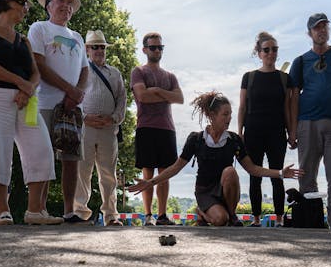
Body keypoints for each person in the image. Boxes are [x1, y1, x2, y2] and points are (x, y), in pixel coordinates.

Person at [129, 92, 301, 225]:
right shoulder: (196, 139)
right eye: (225, 114)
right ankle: (202, 212)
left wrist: (279, 173)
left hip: (225, 189)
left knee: (230, 171)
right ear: (212, 115)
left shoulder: (234, 140)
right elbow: (175, 167)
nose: (229, 118)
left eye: (230, 114)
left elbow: (252, 169)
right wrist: (150, 182)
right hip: (205, 190)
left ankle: (232, 215)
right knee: (219, 221)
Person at [0, 0, 57, 226]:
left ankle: (34, 211)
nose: (26, 10)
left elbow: (35, 71)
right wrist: (20, 83)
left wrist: (28, 87)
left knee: (42, 149)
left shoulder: (24, 39)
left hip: (26, 101)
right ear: (9, 2)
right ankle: (3, 211)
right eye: (24, 4)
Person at [289, 13, 331, 230]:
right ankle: (311, 220)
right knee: (306, 176)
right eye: (317, 28)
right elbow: (293, 98)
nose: (321, 31)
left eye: (324, 27)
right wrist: (292, 130)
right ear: (309, 33)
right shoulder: (300, 61)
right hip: (307, 123)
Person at [29, 0, 88, 223]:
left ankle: (68, 210)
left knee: (71, 158)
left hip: (74, 107)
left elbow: (85, 70)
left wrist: (77, 93)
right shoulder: (39, 28)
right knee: (43, 155)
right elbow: (38, 63)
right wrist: (69, 90)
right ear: (48, 5)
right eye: (60, 1)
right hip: (44, 101)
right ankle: (39, 209)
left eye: (69, 3)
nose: (66, 6)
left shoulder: (77, 36)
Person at [237, 31, 294, 227]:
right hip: (253, 131)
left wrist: (291, 132)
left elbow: (287, 107)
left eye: (274, 49)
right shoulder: (249, 77)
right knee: (255, 175)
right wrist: (239, 132)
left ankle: (279, 218)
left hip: (277, 132)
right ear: (259, 53)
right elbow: (242, 106)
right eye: (267, 50)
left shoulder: (284, 78)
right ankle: (256, 218)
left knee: (278, 175)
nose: (271, 53)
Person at [72, 30, 125, 226]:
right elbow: (72, 95)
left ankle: (111, 214)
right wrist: (84, 117)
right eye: (95, 47)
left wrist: (114, 119)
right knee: (81, 172)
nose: (99, 50)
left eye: (102, 47)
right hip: (85, 128)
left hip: (108, 129)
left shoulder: (115, 73)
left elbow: (122, 99)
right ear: (87, 49)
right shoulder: (79, 70)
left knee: (108, 174)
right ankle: (80, 212)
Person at [131, 32, 184, 226]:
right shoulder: (138, 71)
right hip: (146, 126)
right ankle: (147, 216)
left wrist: (159, 91)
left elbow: (180, 98)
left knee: (165, 173)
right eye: (153, 47)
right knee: (148, 173)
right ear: (145, 49)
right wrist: (167, 95)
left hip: (167, 128)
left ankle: (162, 215)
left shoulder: (170, 76)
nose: (157, 51)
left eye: (160, 47)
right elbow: (143, 96)